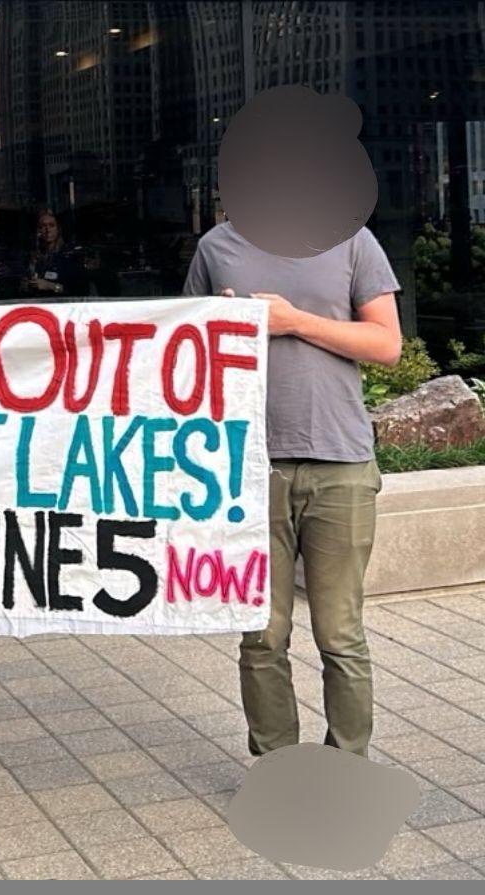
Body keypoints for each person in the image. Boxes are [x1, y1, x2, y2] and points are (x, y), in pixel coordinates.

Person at [182, 220, 402, 758]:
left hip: (340, 465)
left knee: (340, 635)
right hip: (249, 467)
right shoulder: (217, 247)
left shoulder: (350, 239)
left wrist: (293, 321)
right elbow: (189, 350)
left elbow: (387, 344)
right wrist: (226, 326)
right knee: (260, 635)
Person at [21, 210, 88, 298]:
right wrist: (25, 285)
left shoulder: (70, 254)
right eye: (43, 226)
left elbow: (80, 291)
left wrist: (51, 286)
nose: (47, 230)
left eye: (51, 225)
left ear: (58, 229)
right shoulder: (33, 256)